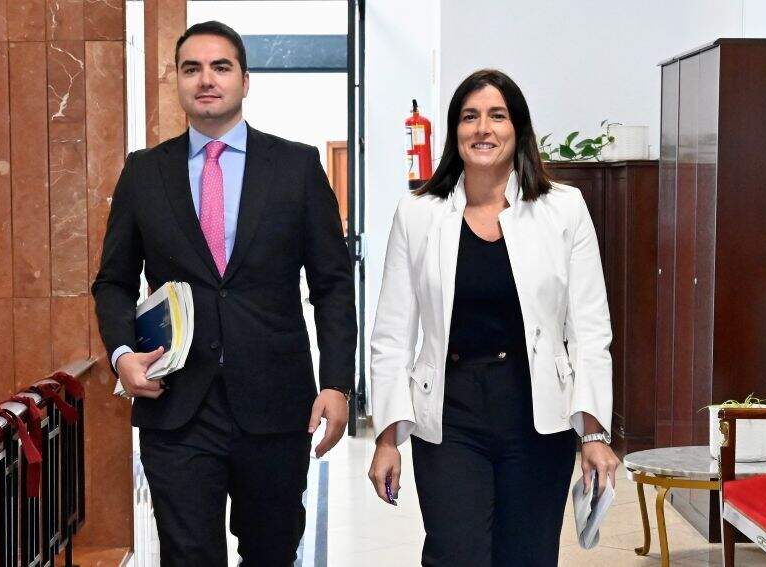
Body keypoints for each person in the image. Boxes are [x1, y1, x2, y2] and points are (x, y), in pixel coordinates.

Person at [92, 21, 356, 567]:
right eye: (192, 69)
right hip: (176, 404)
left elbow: (332, 284)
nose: (206, 80)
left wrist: (336, 382)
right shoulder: (144, 172)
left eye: (220, 67)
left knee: (272, 553)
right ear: (177, 81)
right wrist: (121, 355)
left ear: (245, 80)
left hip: (275, 404)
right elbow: (113, 281)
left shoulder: (296, 167)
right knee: (189, 556)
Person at [367, 69, 619, 566]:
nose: (483, 128)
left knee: (527, 555)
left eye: (497, 116)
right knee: (454, 554)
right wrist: (386, 437)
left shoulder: (564, 209)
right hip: (450, 415)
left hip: (536, 417)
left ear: (517, 128)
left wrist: (593, 433)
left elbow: (590, 331)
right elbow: (392, 335)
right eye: (470, 117)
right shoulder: (418, 213)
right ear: (455, 131)